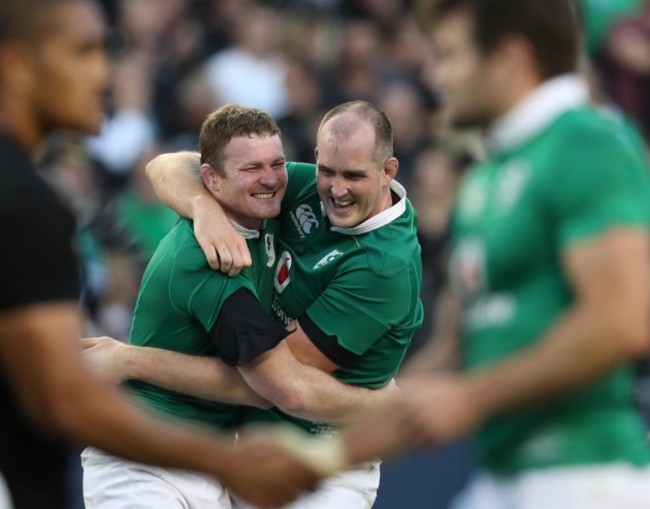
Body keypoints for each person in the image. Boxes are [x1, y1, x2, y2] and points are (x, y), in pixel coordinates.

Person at [330, 1, 650, 508]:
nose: (437, 75)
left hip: (587, 477)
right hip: (503, 480)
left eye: (450, 54)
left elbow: (621, 320)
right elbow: (454, 358)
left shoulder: (588, 142)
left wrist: (472, 399)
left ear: (508, 57)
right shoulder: (486, 177)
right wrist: (318, 455)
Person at [0, 1, 319, 508]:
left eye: (105, 51)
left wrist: (200, 202)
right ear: (15, 66)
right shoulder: (24, 203)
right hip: (146, 472)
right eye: (82, 52)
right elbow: (65, 397)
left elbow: (169, 164)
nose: (103, 73)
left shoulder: (29, 192)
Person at [90, 100, 424, 508]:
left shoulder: (383, 265)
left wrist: (129, 359)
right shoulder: (218, 249)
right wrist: (202, 208)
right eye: (327, 171)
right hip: (162, 449)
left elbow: (288, 386)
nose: (336, 189)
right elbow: (165, 165)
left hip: (321, 456)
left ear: (389, 171)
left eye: (354, 175)